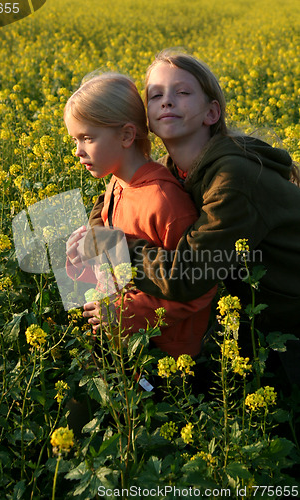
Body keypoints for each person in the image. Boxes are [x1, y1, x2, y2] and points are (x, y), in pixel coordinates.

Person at [86, 50, 300, 384]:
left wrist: (114, 248)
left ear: (211, 113)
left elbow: (190, 273)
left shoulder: (233, 179)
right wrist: (97, 234)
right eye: (156, 95)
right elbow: (107, 203)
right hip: (249, 312)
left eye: (182, 93)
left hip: (287, 319)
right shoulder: (178, 170)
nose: (167, 101)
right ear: (146, 120)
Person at [64, 72, 217, 359]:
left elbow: (198, 285)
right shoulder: (114, 187)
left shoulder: (163, 200)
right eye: (75, 140)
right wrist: (80, 262)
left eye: (87, 138)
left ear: (126, 135)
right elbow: (115, 269)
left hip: (167, 355)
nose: (78, 151)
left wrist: (124, 311)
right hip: (122, 341)